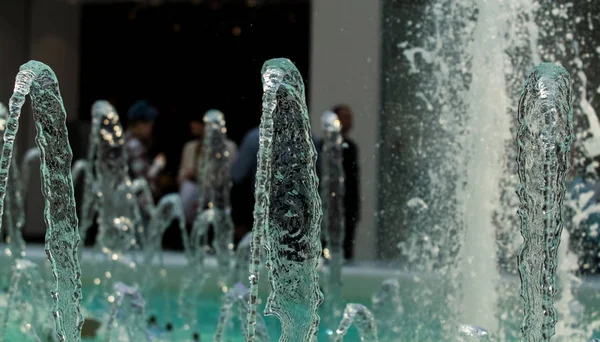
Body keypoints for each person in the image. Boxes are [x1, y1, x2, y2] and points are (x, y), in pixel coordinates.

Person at [178, 109, 237, 224]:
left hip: (218, 205)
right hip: (193, 204)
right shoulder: (190, 148)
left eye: (197, 122)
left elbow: (230, 179)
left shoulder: (228, 147)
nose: (192, 125)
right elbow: (181, 177)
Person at [332, 104, 360, 261]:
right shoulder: (328, 147)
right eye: (344, 117)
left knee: (347, 250)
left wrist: (355, 209)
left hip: (348, 209)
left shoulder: (352, 147)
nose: (348, 121)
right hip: (334, 207)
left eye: (349, 118)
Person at [125, 100, 166, 195]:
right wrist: (158, 165)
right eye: (149, 126)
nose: (151, 130)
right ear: (139, 125)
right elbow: (143, 181)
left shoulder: (125, 139)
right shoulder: (135, 146)